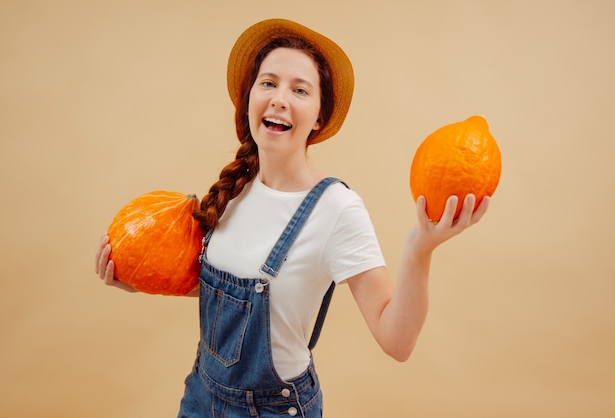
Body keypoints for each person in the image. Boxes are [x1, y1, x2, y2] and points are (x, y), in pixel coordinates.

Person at [94, 18, 489, 418]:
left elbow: (396, 341)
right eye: (268, 83)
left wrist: (421, 248)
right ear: (249, 98)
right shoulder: (233, 191)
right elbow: (221, 291)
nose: (280, 98)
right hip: (199, 398)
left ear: (318, 117)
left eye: (300, 90)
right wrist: (138, 280)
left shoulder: (336, 209)